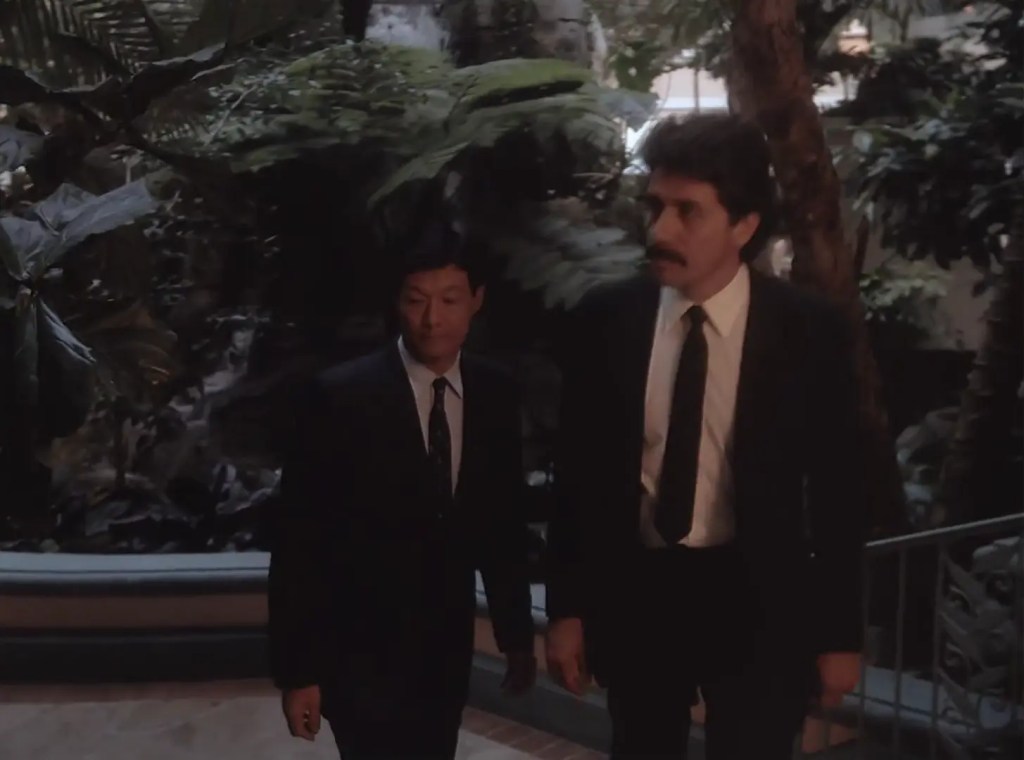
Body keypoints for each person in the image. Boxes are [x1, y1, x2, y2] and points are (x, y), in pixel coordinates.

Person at [544, 113, 867, 759]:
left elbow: (839, 489)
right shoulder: (606, 320)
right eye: (654, 207)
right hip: (640, 592)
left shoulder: (808, 331)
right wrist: (566, 609)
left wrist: (840, 635)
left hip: (758, 599)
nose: (659, 231)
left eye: (687, 211)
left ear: (744, 226)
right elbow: (576, 476)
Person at [268, 216, 537, 759]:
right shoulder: (338, 398)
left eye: (450, 300)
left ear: (477, 300)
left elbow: (503, 525)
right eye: (416, 300)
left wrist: (515, 637)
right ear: (396, 302)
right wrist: (299, 672)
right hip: (358, 653)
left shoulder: (495, 393)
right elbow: (300, 544)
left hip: (445, 651)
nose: (432, 319)